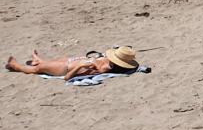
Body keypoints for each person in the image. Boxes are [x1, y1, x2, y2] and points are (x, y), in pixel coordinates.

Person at [6, 46, 138, 80]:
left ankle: (15, 66)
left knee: (38, 69)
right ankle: (38, 60)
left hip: (66, 68)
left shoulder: (103, 69)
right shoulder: (107, 61)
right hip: (70, 61)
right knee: (52, 61)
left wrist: (81, 65)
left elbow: (67, 78)